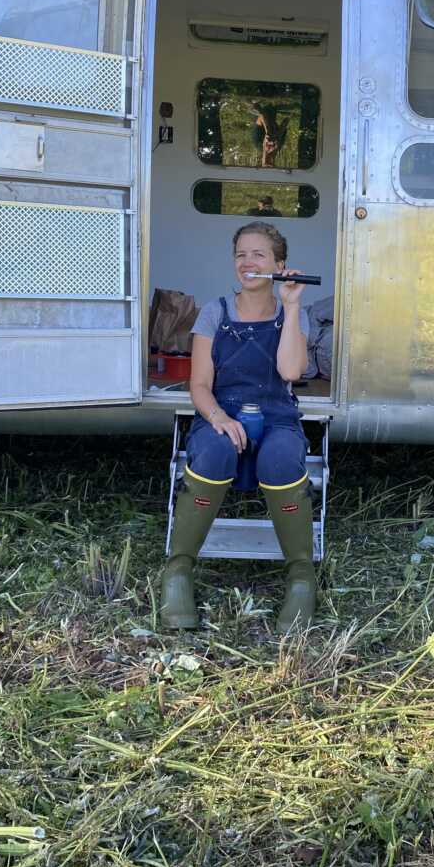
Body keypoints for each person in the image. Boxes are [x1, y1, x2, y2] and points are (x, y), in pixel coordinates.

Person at [161, 222, 314, 634]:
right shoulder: (215, 313)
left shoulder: (289, 313)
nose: (248, 262)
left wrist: (294, 304)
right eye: (241, 254)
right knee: (212, 453)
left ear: (279, 265)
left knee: (282, 459)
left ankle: (302, 577)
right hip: (221, 410)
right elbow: (198, 386)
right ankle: (178, 571)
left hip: (276, 414)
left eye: (259, 255)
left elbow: (290, 371)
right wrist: (219, 419)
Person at [251, 102, 290, 167]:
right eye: (271, 163)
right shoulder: (278, 145)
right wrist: (279, 135)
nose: (269, 160)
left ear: (261, 161)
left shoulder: (257, 142)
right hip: (271, 115)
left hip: (257, 113)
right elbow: (286, 120)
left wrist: (268, 131)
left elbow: (260, 117)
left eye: (266, 162)